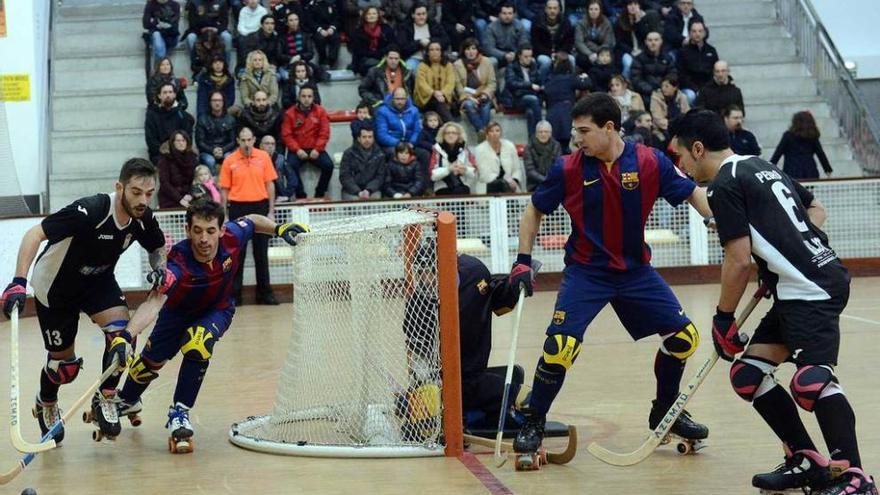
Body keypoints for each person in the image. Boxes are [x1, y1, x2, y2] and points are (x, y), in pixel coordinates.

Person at [671, 109, 876, 495]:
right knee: (748, 374)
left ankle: (856, 478)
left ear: (697, 149)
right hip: (801, 284)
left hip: (811, 290)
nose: (680, 165)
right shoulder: (760, 165)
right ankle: (807, 461)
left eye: (680, 156)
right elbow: (815, 209)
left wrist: (723, 319)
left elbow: (738, 259)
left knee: (810, 382)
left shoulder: (721, 186)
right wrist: (786, 255)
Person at [509, 92, 713, 461]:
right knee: (559, 349)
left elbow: (694, 193)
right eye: (575, 132)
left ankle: (665, 413)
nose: (577, 139)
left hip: (636, 272)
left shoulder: (650, 162)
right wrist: (523, 261)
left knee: (684, 339)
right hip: (587, 273)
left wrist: (717, 221)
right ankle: (533, 419)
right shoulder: (567, 168)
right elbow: (533, 211)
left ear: (609, 128)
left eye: (584, 131)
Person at [115, 199, 308, 453]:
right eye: (197, 231)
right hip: (177, 313)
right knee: (150, 362)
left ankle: (180, 412)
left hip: (216, 311)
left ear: (222, 230)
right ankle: (127, 399)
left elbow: (252, 219)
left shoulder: (233, 238)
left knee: (198, 342)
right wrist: (126, 335)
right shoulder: (178, 262)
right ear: (187, 231)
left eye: (210, 231)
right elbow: (154, 302)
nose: (204, 239)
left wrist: (279, 229)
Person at [0, 159, 167, 442]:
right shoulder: (90, 210)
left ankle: (105, 398)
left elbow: (158, 247)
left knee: (123, 338)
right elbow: (35, 233)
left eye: (149, 193)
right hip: (56, 287)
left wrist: (159, 267)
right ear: (120, 187)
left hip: (98, 284)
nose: (143, 200)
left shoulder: (143, 219)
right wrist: (18, 281)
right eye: (136, 192)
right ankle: (46, 403)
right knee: (64, 368)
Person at [219, 127, 280, 305]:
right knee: (237, 254)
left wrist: (270, 210)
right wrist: (224, 215)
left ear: (254, 140)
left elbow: (270, 185)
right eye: (243, 140)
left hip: (260, 207)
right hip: (238, 208)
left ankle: (265, 294)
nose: (246, 143)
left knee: (261, 253)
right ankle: (235, 295)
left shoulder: (263, 157)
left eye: (249, 140)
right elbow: (224, 190)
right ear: (238, 141)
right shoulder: (229, 160)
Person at [280, 86, 333, 198]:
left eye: (309, 96)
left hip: (315, 148)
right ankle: (300, 194)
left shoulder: (320, 111)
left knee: (329, 166)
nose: (306, 99)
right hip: (297, 150)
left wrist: (317, 149)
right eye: (303, 96)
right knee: (290, 166)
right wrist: (297, 150)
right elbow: (287, 135)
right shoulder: (289, 114)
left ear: (313, 98)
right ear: (298, 97)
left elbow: (324, 133)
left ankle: (320, 192)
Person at [543, 53, 590, 150]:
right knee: (565, 148)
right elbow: (586, 84)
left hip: (552, 115)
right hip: (566, 114)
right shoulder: (570, 79)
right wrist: (585, 77)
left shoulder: (549, 81)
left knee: (554, 149)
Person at [770, 111, 833, 180]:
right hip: (810, 173)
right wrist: (828, 170)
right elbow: (821, 154)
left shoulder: (788, 136)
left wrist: (768, 169)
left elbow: (777, 154)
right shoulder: (812, 136)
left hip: (791, 172)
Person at [453, 38, 497, 134]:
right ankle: (484, 132)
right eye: (468, 49)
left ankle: (481, 131)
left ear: (478, 50)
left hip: (484, 94)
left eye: (473, 48)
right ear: (463, 51)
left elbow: (492, 82)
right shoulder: (457, 64)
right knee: (469, 105)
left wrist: (485, 94)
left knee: (485, 104)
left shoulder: (486, 61)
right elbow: (458, 86)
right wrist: (469, 97)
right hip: (467, 97)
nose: (471, 52)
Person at [145, 83, 196, 165]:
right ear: (159, 95)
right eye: (164, 92)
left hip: (181, 153)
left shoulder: (183, 116)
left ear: (175, 95)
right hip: (160, 155)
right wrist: (166, 151)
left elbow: (187, 139)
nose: (168, 95)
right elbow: (151, 141)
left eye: (170, 92)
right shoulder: (152, 115)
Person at [614, 0, 662, 80]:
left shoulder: (645, 19)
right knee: (629, 64)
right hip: (626, 51)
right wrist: (631, 51)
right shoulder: (620, 20)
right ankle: (625, 83)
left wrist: (639, 22)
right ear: (626, 6)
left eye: (635, 4)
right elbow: (619, 42)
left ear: (639, 6)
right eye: (630, 4)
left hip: (642, 50)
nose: (633, 7)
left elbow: (646, 38)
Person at [503, 46, 543, 140]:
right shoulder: (511, 66)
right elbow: (511, 83)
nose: (529, 59)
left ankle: (533, 140)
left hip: (532, 97)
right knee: (533, 100)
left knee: (531, 113)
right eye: (526, 56)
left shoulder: (533, 66)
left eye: (530, 56)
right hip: (516, 98)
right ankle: (541, 131)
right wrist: (529, 85)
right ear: (519, 56)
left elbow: (539, 82)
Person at [474, 121, 525, 193]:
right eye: (491, 131)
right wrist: (505, 181)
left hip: (510, 183)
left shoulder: (509, 146)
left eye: (497, 131)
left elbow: (517, 168)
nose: (495, 133)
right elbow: (484, 174)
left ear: (501, 133)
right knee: (504, 185)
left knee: (509, 186)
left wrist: (514, 179)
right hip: (488, 184)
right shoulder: (480, 149)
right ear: (487, 134)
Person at [397, 3, 450, 71]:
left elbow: (446, 40)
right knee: (409, 67)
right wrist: (419, 43)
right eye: (418, 14)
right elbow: (402, 47)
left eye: (424, 14)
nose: (422, 17)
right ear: (413, 15)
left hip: (433, 58)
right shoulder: (405, 27)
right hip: (414, 58)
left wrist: (430, 41)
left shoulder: (434, 25)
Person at [414, 41, 457, 123]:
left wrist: (442, 93)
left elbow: (450, 83)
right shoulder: (422, 66)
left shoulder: (448, 65)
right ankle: (451, 124)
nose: (435, 52)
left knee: (441, 103)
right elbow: (421, 84)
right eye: (431, 50)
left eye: (437, 49)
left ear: (441, 52)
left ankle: (450, 125)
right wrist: (434, 93)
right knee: (439, 102)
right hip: (426, 99)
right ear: (427, 53)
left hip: (443, 97)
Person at [340, 126, 387, 200]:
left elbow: (380, 177)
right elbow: (345, 177)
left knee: (376, 199)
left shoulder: (380, 154)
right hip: (351, 191)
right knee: (354, 200)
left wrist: (368, 190)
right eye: (364, 137)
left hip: (372, 190)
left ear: (373, 138)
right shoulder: (348, 153)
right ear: (359, 138)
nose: (367, 140)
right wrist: (358, 192)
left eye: (370, 137)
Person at [531, 0, 575, 78]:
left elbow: (569, 42)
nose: (552, 11)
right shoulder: (537, 22)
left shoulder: (566, 22)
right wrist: (550, 54)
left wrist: (560, 53)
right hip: (543, 53)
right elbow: (535, 43)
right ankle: (542, 85)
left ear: (559, 10)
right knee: (546, 62)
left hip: (561, 53)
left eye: (555, 8)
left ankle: (571, 83)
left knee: (571, 59)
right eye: (550, 8)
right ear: (545, 9)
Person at [429, 121, 476, 195]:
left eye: (454, 133)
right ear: (443, 135)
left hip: (462, 185)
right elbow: (432, 175)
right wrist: (449, 169)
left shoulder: (465, 150)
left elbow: (473, 172)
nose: (451, 135)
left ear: (458, 135)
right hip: (442, 187)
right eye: (447, 133)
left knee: (462, 191)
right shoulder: (437, 150)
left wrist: (464, 170)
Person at [676, 21, 717, 104]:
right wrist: (696, 89)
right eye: (694, 31)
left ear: (705, 33)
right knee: (690, 96)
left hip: (708, 86)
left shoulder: (711, 50)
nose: (697, 34)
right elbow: (681, 75)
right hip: (689, 88)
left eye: (700, 31)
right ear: (690, 33)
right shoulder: (682, 52)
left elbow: (715, 72)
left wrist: (705, 89)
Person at [196, 92, 237, 175]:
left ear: (223, 102)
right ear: (210, 102)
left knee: (229, 159)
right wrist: (212, 150)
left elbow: (233, 141)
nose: (217, 103)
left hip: (226, 150)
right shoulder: (202, 119)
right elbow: (199, 142)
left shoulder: (230, 119)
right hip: (207, 151)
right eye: (214, 100)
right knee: (210, 161)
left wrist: (223, 150)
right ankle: (212, 185)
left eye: (219, 100)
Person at [629, 31, 674, 104]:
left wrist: (664, 88)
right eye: (650, 40)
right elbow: (636, 80)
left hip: (665, 91)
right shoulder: (639, 59)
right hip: (646, 94)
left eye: (656, 40)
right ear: (646, 42)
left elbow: (672, 74)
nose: (653, 43)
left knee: (682, 97)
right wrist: (652, 91)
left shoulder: (668, 58)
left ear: (661, 41)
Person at [375, 87, 423, 155]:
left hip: (410, 143)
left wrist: (412, 142)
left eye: (402, 99)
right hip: (392, 144)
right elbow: (382, 135)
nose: (400, 102)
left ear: (406, 99)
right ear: (392, 98)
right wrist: (399, 143)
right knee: (394, 153)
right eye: (397, 99)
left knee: (424, 153)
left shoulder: (414, 110)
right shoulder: (382, 111)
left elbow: (417, 130)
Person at [349, 7, 396, 76]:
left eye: (374, 13)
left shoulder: (386, 29)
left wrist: (383, 54)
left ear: (378, 16)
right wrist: (378, 54)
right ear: (365, 16)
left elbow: (392, 45)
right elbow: (359, 52)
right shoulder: (359, 31)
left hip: (383, 58)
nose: (371, 16)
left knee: (375, 69)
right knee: (373, 66)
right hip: (365, 60)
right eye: (369, 14)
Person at [158, 130, 199, 209]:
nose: (181, 143)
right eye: (178, 141)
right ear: (173, 142)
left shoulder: (193, 158)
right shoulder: (166, 159)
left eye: (183, 140)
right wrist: (179, 199)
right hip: (170, 199)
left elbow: (196, 180)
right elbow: (164, 183)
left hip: (189, 197)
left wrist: (190, 195)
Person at [277, 12, 322, 82]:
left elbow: (310, 53)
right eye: (291, 20)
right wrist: (291, 59)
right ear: (287, 23)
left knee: (308, 73)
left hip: (303, 63)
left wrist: (300, 57)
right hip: (287, 65)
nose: (294, 22)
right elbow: (279, 55)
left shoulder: (305, 36)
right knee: (286, 77)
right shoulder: (281, 38)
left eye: (296, 19)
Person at [484, 3, 530, 69]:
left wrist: (515, 54)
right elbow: (489, 48)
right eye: (504, 13)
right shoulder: (491, 27)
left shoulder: (520, 26)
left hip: (515, 56)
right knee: (492, 61)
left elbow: (524, 44)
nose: (507, 16)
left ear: (514, 14)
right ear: (499, 14)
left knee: (529, 58)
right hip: (499, 57)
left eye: (510, 13)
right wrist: (504, 55)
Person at [573, 0, 615, 72]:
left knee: (609, 58)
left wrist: (599, 54)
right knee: (582, 59)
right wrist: (590, 54)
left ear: (600, 11)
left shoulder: (607, 23)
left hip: (602, 52)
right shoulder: (580, 23)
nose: (593, 12)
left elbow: (608, 42)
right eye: (591, 9)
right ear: (587, 10)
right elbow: (579, 42)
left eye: (596, 9)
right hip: (586, 52)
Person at [523, 120, 562, 190]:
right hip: (534, 185)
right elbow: (530, 170)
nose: (543, 134)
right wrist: (545, 180)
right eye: (540, 132)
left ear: (550, 134)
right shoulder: (529, 147)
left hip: (553, 182)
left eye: (546, 132)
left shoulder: (556, 145)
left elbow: (558, 166)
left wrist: (551, 180)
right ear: (536, 134)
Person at [304, 0, 341, 69]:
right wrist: (319, 29)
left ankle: (332, 60)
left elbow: (337, 18)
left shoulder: (330, 4)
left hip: (330, 28)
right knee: (320, 39)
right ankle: (323, 61)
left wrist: (332, 28)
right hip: (317, 30)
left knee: (336, 38)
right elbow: (310, 21)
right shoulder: (310, 6)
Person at [143, 0, 181, 64]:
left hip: (171, 37)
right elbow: (146, 24)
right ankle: (162, 66)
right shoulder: (150, 5)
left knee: (157, 39)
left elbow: (174, 25)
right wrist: (158, 22)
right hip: (156, 36)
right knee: (157, 36)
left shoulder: (175, 5)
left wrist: (156, 22)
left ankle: (160, 67)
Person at [258, 135, 293, 201]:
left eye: (273, 144)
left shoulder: (280, 159)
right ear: (261, 146)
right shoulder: (255, 160)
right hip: (261, 196)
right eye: (267, 143)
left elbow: (292, 178)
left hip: (279, 195)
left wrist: (287, 194)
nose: (270, 146)